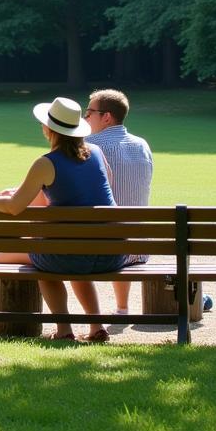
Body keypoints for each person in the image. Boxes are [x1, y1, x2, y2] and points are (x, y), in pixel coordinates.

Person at [0, 96, 126, 343]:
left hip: (68, 255)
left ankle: (64, 329)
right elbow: (101, 185)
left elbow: (14, 206)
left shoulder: (46, 163)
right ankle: (97, 326)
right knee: (73, 253)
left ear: (49, 129)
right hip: (111, 253)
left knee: (47, 265)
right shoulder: (96, 152)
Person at [85, 89, 154, 316]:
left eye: (89, 112)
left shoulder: (88, 146)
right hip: (138, 248)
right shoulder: (142, 145)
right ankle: (122, 307)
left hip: (101, 249)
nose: (85, 118)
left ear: (106, 117)